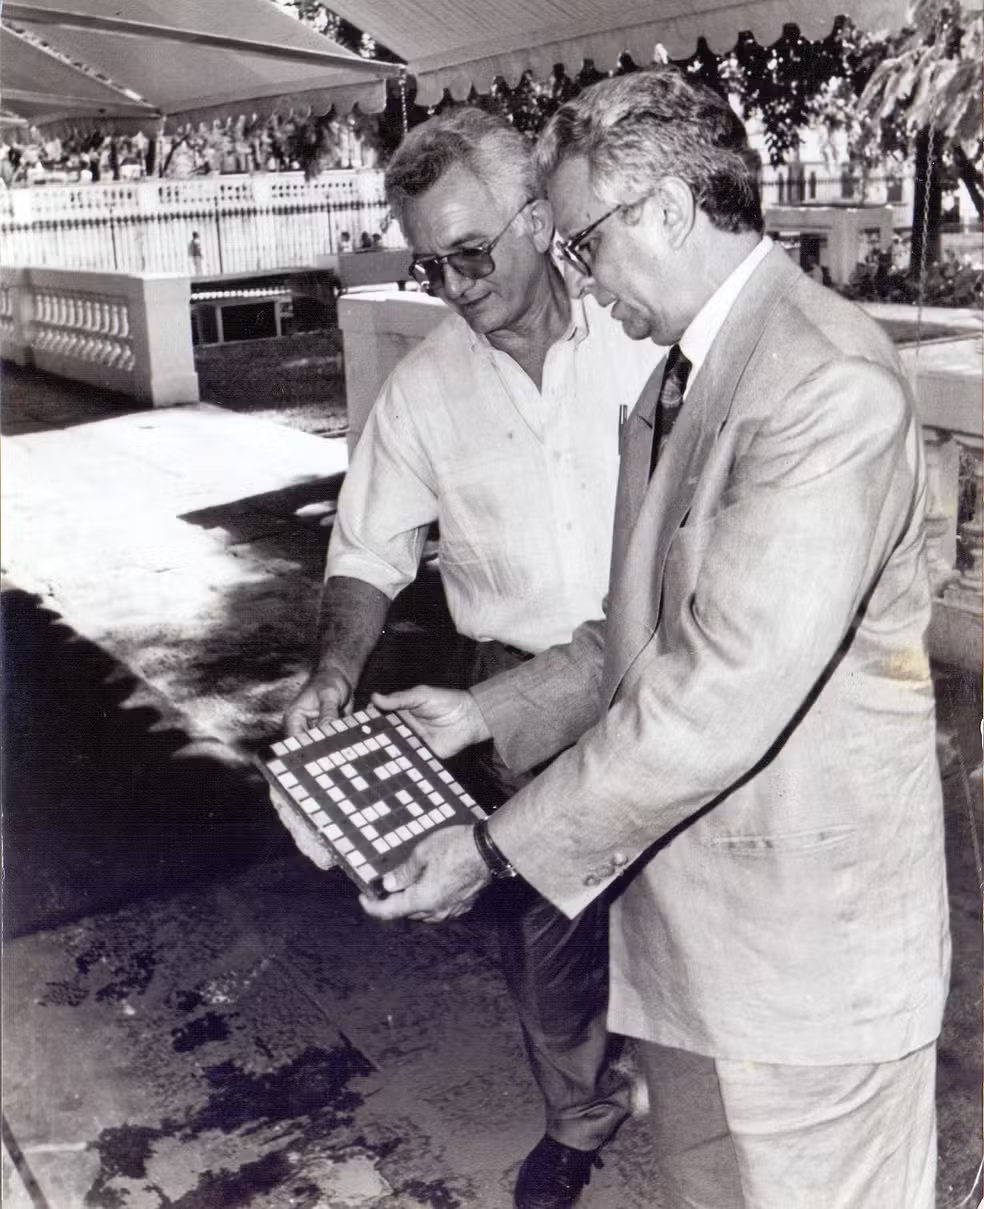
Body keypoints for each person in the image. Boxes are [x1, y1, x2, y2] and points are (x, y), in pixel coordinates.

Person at [360, 69, 951, 1209]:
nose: (576, 276)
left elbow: (712, 690)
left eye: (581, 241)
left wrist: (491, 850)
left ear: (669, 212)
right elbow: (638, 636)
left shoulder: (822, 383)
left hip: (807, 967)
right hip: (692, 949)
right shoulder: (680, 383)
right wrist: (481, 712)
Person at [283, 108, 665, 1209]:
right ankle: (580, 1115)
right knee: (547, 939)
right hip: (507, 695)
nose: (449, 285)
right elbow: (367, 549)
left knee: (691, 914)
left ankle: (701, 1100)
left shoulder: (642, 337)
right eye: (426, 263)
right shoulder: (425, 387)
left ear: (540, 221)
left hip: (665, 669)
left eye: (469, 253)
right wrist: (334, 671)